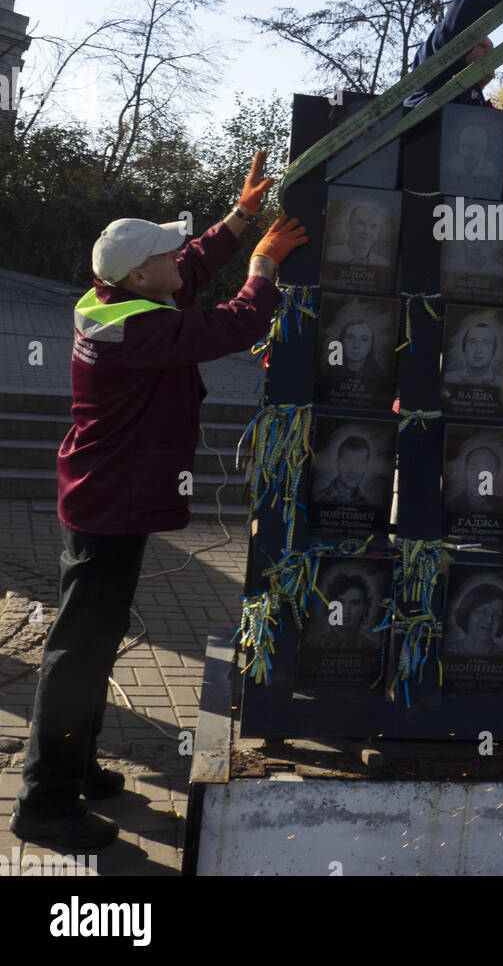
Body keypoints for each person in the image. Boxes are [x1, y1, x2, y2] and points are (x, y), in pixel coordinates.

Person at [11, 153, 308, 852]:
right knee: (78, 650)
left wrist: (241, 216)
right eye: (167, 254)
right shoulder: (140, 330)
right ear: (142, 275)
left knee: (96, 637)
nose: (182, 258)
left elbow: (194, 267)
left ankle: (78, 765)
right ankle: (43, 802)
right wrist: (262, 269)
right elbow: (231, 325)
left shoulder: (126, 297)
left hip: (107, 498)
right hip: (110, 505)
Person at [451, 583, 503, 656]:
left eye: (497, 615)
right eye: (482, 612)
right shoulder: (447, 652)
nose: (489, 620)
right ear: (467, 613)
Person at [316, 435, 373, 509]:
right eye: (347, 461)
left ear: (366, 466)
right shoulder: (317, 499)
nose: (353, 470)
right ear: (337, 463)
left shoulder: (369, 506)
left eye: (360, 463)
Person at [327, 202, 391, 267]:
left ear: (378, 233)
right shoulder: (329, 255)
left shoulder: (384, 264)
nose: (367, 232)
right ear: (348, 227)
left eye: (373, 226)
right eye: (361, 224)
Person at [443, 319, 503, 386]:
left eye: (485, 343)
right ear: (464, 349)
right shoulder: (448, 378)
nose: (478, 350)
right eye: (472, 342)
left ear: (493, 351)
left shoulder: (502, 383)